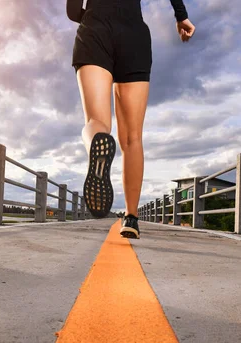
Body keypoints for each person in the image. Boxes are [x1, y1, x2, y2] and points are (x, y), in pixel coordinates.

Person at [68, 0, 195, 239]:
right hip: (133, 33)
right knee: (132, 138)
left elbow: (72, 11)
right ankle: (131, 218)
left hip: (95, 28)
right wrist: (181, 16)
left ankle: (98, 140)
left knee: (97, 121)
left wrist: (96, 17)